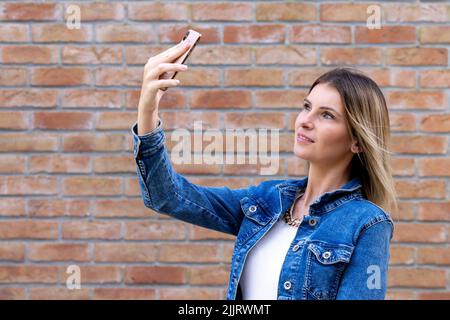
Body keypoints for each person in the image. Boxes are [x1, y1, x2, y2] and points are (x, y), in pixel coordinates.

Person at [130, 42, 396, 300]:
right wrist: (148, 109)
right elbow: (168, 196)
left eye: (326, 115)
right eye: (306, 107)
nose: (305, 121)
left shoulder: (367, 223)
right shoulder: (267, 200)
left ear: (358, 141)